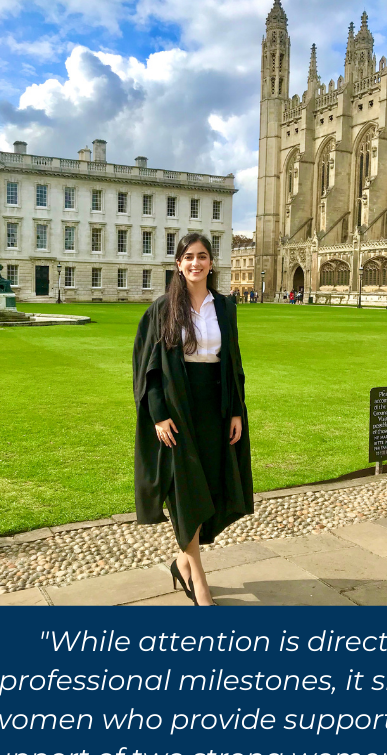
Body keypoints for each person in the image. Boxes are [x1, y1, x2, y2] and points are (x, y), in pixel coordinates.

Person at [132, 233, 254, 606]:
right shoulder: (162, 309)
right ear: (178, 265)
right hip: (178, 407)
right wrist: (158, 415)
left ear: (211, 263)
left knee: (211, 488)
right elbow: (147, 368)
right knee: (185, 491)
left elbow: (233, 363)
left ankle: (181, 563)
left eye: (202, 257)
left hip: (215, 407)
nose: (195, 263)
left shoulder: (227, 308)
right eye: (188, 257)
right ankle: (198, 581)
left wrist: (235, 410)